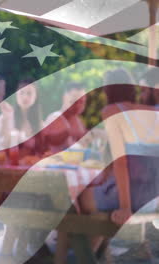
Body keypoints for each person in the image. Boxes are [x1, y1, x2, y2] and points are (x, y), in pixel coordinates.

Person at [55, 68, 159, 263]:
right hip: (153, 197)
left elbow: (121, 164)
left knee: (72, 201)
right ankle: (86, 256)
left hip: (133, 198)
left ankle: (68, 258)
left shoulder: (113, 111)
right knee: (93, 202)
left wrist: (126, 208)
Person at [44, 82, 88, 153]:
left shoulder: (79, 122)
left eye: (82, 101)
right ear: (64, 97)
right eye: (74, 101)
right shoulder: (55, 118)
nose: (78, 105)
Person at [13, 79, 44, 159]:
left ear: (36, 96)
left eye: (29, 93)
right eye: (21, 93)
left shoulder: (40, 124)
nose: (25, 97)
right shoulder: (7, 119)